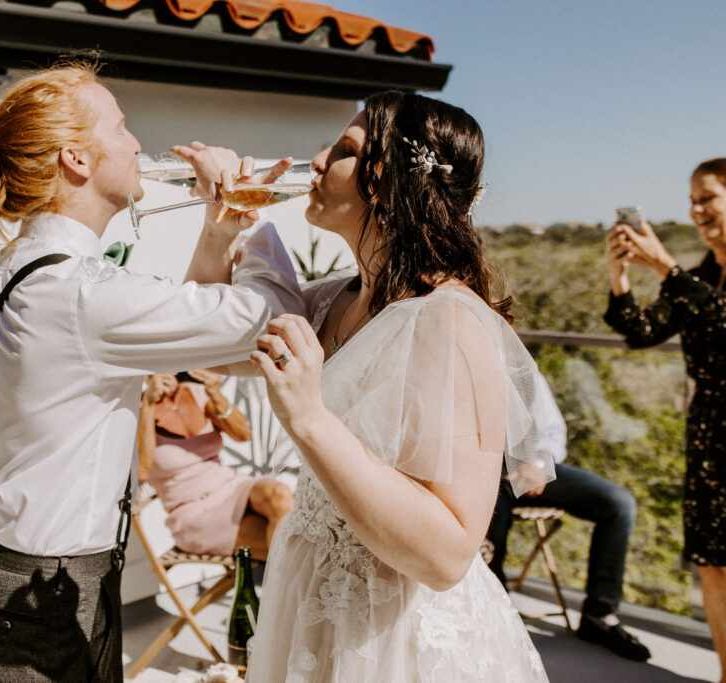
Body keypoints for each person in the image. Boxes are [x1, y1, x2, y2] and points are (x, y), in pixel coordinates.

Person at [0, 59, 303, 682]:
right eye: (121, 126)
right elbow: (272, 320)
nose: (138, 144)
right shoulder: (79, 291)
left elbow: (185, 342)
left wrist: (218, 233)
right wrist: (251, 205)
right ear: (77, 160)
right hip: (45, 590)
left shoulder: (15, 269)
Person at [210, 90, 557, 681]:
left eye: (344, 149)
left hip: (396, 629)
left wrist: (309, 420)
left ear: (393, 183)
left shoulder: (452, 320)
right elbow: (215, 350)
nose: (316, 161)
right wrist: (222, 226)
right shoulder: (334, 298)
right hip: (312, 597)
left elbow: (449, 554)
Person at [603, 157, 726, 680]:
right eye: (692, 201)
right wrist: (620, 274)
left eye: (708, 198)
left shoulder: (686, 277)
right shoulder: (698, 276)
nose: (697, 210)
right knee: (712, 561)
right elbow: (641, 331)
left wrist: (666, 269)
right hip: (709, 435)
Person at [485, 370, 650, 661]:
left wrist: (538, 464)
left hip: (526, 466)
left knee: (618, 503)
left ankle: (600, 615)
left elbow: (552, 432)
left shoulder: (520, 365)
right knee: (491, 516)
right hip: (481, 473)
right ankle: (496, 614)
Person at [137, 370, 294, 561]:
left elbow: (243, 434)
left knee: (279, 495)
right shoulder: (137, 413)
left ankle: (286, 584)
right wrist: (148, 404)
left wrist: (215, 393)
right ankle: (284, 586)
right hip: (193, 512)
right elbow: (142, 469)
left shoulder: (195, 392)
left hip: (232, 487)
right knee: (287, 544)